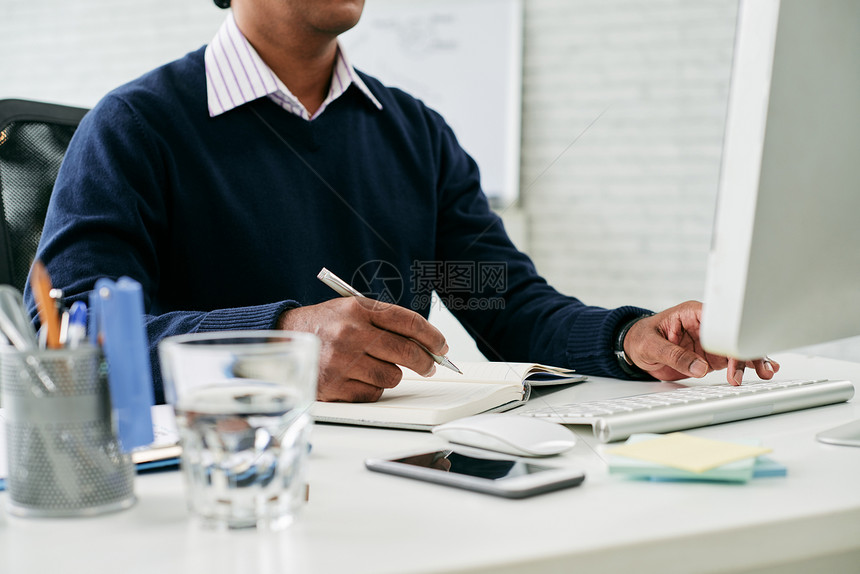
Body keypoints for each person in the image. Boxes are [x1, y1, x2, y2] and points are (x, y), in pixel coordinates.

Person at [26, 0, 778, 405]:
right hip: (220, 491)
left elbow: (506, 303)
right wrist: (278, 344)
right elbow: (71, 337)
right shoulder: (134, 124)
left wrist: (630, 338)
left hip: (392, 484)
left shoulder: (414, 132)